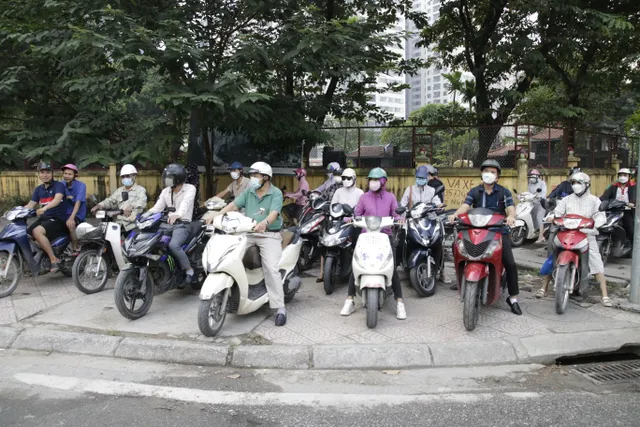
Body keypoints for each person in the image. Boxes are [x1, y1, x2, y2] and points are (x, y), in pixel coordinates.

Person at [212, 162, 288, 326]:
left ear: (266, 178)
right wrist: (216, 215)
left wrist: (265, 223)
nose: (252, 178)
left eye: (256, 175)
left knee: (271, 267)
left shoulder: (275, 193)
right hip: (247, 232)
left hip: (269, 234)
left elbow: (274, 214)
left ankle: (279, 307)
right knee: (229, 255)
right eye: (252, 175)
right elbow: (234, 205)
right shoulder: (250, 191)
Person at [448, 159, 522, 316]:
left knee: (510, 263)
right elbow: (465, 207)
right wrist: (456, 214)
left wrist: (511, 217)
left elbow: (511, 209)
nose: (489, 174)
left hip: (498, 231)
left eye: (493, 172)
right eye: (486, 171)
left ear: (497, 177)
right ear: (482, 174)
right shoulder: (475, 191)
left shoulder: (504, 192)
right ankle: (462, 280)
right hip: (475, 230)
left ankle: (513, 298)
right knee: (458, 251)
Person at [535, 172, 612, 307]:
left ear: (586, 185)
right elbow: (557, 213)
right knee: (554, 256)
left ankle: (604, 294)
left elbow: (600, 215)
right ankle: (544, 287)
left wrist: (598, 223)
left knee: (595, 261)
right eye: (573, 183)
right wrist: (551, 216)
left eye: (579, 183)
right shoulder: (566, 200)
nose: (576, 186)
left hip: (586, 234)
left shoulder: (594, 200)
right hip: (566, 232)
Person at [340, 167, 407, 320]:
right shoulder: (363, 197)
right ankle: (349, 300)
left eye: (376, 180)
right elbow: (357, 214)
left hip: (385, 236)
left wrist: (399, 219)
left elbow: (396, 214)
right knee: (356, 265)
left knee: (392, 268)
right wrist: (350, 219)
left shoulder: (390, 197)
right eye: (371, 179)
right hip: (366, 236)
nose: (373, 182)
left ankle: (400, 303)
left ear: (383, 181)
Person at [147, 164, 197, 285]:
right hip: (167, 224)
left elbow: (186, 204)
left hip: (183, 224)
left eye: (169, 178)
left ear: (178, 178)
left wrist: (177, 215)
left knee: (174, 245)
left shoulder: (190, 189)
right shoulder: (166, 191)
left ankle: (189, 270)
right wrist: (144, 216)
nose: (166, 180)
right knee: (152, 241)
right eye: (166, 178)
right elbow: (157, 208)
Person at [23, 162, 68, 273]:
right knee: (25, 234)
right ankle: (37, 258)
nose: (45, 175)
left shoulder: (59, 186)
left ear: (52, 174)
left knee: (37, 231)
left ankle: (54, 259)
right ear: (39, 174)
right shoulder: (39, 189)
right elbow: (31, 204)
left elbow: (57, 200)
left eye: (48, 172)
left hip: (58, 219)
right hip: (44, 219)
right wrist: (17, 212)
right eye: (42, 172)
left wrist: (45, 208)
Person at [92, 164, 147, 232]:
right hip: (118, 223)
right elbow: (110, 201)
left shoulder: (140, 190)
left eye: (127, 176)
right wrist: (99, 205)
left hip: (133, 224)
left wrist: (131, 206)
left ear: (134, 176)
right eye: (123, 177)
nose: (125, 178)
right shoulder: (119, 191)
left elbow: (142, 202)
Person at [316, 167, 343, 282]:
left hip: (344, 221)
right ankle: (322, 272)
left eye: (339, 175)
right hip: (330, 219)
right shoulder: (331, 188)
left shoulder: (348, 189)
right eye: (336, 174)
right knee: (323, 243)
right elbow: (322, 198)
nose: (337, 177)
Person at [600, 167, 635, 240]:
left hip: (627, 211)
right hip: (613, 211)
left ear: (629, 176)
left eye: (625, 175)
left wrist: (632, 204)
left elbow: (635, 199)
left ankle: (632, 248)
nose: (622, 177)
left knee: (631, 230)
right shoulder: (613, 186)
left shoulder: (633, 187)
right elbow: (604, 197)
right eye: (620, 175)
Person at [61, 164, 87, 253]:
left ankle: (75, 247)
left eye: (69, 174)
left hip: (77, 213)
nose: (67, 176)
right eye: (65, 173)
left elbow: (78, 203)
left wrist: (71, 218)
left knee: (70, 225)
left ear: (74, 175)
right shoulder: (61, 185)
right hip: (64, 213)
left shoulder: (81, 186)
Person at [527, 169, 548, 244]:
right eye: (530, 177)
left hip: (541, 203)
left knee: (539, 218)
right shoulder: (530, 183)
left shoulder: (542, 183)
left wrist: (537, 196)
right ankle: (535, 232)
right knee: (531, 216)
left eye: (533, 177)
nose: (531, 178)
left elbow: (543, 194)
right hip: (533, 203)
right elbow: (529, 192)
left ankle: (541, 236)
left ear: (537, 176)